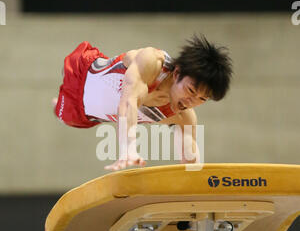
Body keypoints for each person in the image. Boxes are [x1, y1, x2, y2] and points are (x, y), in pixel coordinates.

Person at [52, 34, 232, 171]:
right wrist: (128, 148)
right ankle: (59, 96)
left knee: (63, 116)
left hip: (84, 112)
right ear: (177, 73)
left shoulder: (183, 117)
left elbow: (191, 165)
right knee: (125, 98)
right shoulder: (152, 62)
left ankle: (57, 103)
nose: (191, 102)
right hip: (82, 72)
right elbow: (128, 102)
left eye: (202, 99)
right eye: (191, 90)